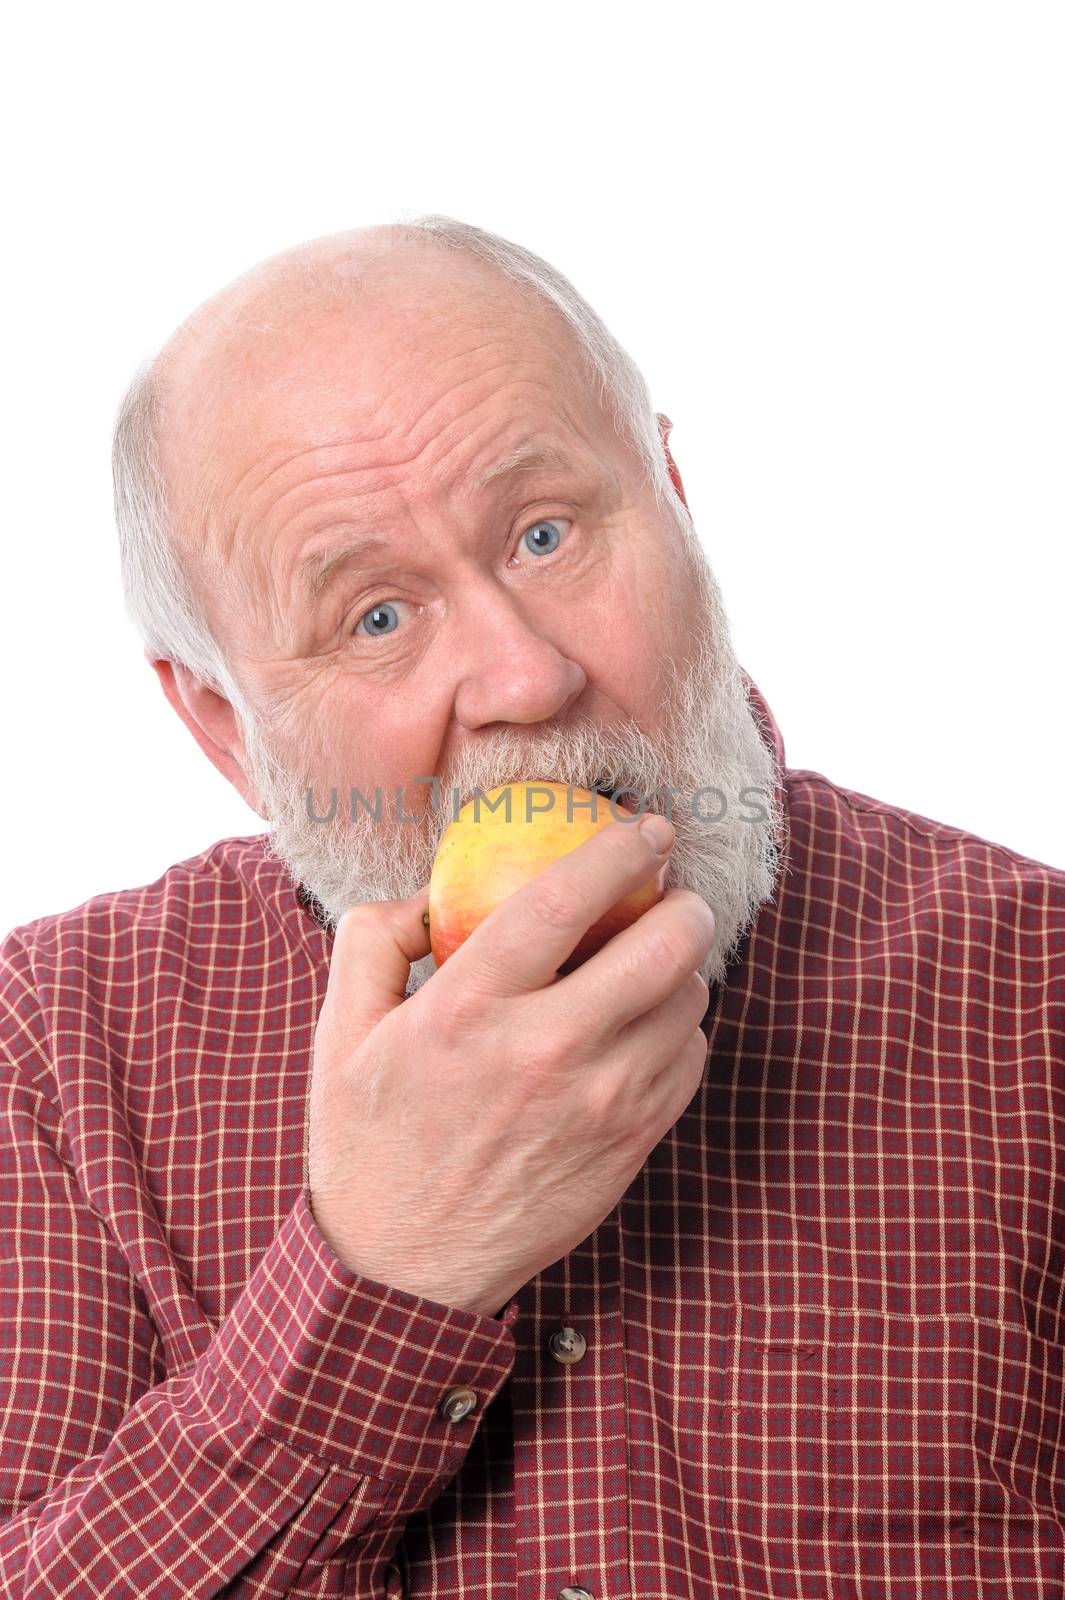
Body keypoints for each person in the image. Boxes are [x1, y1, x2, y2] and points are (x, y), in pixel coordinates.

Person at [0, 215, 1061, 1599]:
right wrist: (382, 1273)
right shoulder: (53, 1051)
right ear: (224, 727)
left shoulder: (1037, 990)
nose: (522, 676)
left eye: (546, 535)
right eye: (375, 618)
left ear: (672, 493)